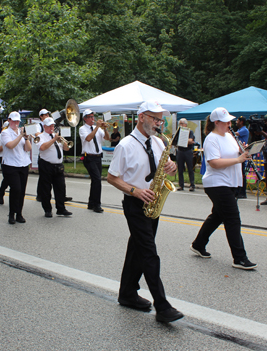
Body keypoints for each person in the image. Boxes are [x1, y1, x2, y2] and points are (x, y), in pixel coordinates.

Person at [107, 101, 183, 323]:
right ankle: (162, 305)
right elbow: (112, 177)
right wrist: (135, 191)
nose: (159, 123)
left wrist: (172, 166)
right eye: (155, 118)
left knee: (138, 249)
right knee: (149, 252)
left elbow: (168, 165)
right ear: (141, 117)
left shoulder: (159, 142)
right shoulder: (125, 145)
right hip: (135, 203)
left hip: (154, 201)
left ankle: (127, 294)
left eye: (161, 120)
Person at [190, 107, 257, 270]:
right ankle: (239, 257)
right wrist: (238, 160)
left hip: (230, 182)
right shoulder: (211, 139)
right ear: (216, 122)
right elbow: (214, 162)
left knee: (217, 216)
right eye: (226, 121)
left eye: (230, 121)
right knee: (233, 218)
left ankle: (198, 244)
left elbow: (235, 155)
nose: (230, 123)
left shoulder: (229, 136)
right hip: (217, 183)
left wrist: (244, 152)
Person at [37, 117, 72, 218]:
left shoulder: (56, 136)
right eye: (49, 126)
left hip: (58, 166)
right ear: (44, 126)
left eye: (52, 125)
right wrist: (54, 139)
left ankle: (61, 209)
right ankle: (47, 210)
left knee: (61, 188)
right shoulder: (41, 136)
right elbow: (42, 147)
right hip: (46, 165)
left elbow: (66, 148)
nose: (52, 127)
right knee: (46, 189)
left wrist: (63, 142)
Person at [1, 111, 32, 224]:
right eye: (13, 121)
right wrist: (20, 136)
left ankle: (19, 213)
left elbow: (28, 148)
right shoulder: (5, 133)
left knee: (22, 190)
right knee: (16, 189)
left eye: (17, 121)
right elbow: (10, 145)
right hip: (10, 164)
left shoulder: (21, 132)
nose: (16, 123)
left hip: (23, 164)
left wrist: (27, 138)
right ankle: (12, 214)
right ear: (9, 121)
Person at [79, 109, 110, 213]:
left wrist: (105, 129)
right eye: (91, 117)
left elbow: (107, 138)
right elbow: (88, 138)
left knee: (95, 180)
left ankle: (91, 203)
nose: (93, 119)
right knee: (97, 180)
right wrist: (97, 127)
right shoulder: (82, 129)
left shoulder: (98, 129)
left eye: (93, 116)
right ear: (85, 119)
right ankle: (97, 204)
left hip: (97, 157)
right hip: (89, 157)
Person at [175, 118, 196, 191]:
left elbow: (191, 140)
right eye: (179, 123)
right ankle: (181, 185)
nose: (180, 125)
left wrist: (183, 141)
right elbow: (175, 140)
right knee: (180, 169)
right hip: (180, 151)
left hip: (187, 151)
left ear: (185, 124)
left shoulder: (189, 131)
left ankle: (192, 185)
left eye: (181, 123)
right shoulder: (178, 132)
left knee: (190, 168)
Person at [235, 116, 249, 198]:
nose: (236, 122)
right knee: (238, 172)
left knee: (242, 173)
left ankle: (242, 192)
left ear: (241, 122)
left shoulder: (244, 129)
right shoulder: (240, 130)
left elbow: (234, 134)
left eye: (237, 121)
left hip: (242, 152)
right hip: (239, 152)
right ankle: (238, 190)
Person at [0, 121, 9, 205]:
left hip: (13, 157)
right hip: (3, 157)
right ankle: (1, 193)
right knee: (7, 178)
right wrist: (5, 142)